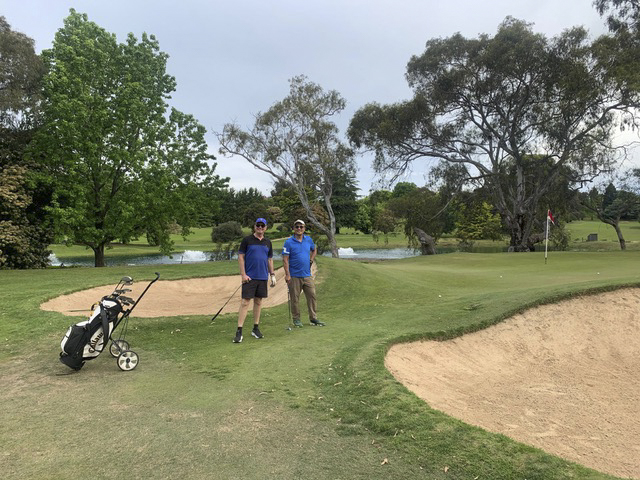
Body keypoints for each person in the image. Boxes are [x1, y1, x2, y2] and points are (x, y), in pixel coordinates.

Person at [234, 217, 277, 343]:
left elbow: (269, 259)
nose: (260, 227)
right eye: (258, 225)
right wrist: (243, 275)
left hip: (262, 277)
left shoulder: (268, 242)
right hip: (249, 277)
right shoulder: (247, 240)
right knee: (245, 302)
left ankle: (255, 328)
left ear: (266, 228)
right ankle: (239, 331)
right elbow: (241, 257)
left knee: (258, 302)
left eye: (262, 226)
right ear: (254, 226)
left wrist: (272, 274)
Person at [282, 219, 325, 327]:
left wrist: (311, 260)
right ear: (293, 228)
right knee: (295, 299)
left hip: (307, 275)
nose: (299, 229)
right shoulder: (288, 242)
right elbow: (285, 259)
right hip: (294, 275)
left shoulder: (308, 240)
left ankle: (313, 318)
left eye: (301, 227)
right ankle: (296, 319)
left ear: (304, 228)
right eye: (297, 227)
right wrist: (287, 274)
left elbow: (314, 249)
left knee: (312, 296)